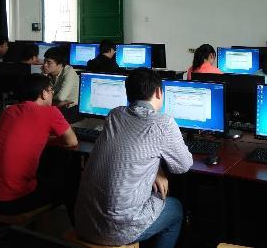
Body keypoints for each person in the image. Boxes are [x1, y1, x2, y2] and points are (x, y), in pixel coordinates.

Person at [75, 68, 192, 247]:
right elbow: (183, 166)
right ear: (159, 92)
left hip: (84, 221)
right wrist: (159, 169)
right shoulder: (163, 123)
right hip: (114, 231)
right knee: (176, 209)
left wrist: (156, 170)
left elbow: (128, 152)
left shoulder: (114, 115)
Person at [0, 74, 78, 218]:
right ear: (44, 93)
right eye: (51, 91)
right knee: (67, 185)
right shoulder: (50, 112)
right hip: (11, 202)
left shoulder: (9, 111)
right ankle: (76, 230)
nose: (52, 94)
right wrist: (52, 140)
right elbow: (72, 142)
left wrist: (44, 139)